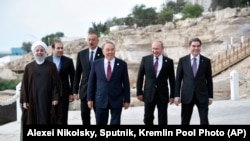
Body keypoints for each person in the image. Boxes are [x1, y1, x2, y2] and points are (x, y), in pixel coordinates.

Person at [87, 41, 130, 125]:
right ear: (103, 51)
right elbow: (91, 82)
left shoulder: (122, 64)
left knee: (115, 123)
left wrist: (127, 100)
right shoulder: (96, 64)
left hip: (117, 99)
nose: (110, 52)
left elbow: (126, 83)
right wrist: (89, 99)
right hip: (100, 99)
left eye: (112, 50)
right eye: (107, 50)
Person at [20, 40, 62, 125]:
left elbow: (56, 83)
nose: (39, 52)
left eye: (42, 50)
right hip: (32, 100)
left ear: (45, 52)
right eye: (37, 50)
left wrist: (55, 97)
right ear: (34, 52)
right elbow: (24, 85)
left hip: (47, 100)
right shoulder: (29, 67)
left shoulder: (51, 66)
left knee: (47, 119)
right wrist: (25, 100)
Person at [174, 37, 213, 125]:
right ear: (189, 47)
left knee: (204, 121)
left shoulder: (206, 61)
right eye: (193, 46)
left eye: (198, 46)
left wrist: (210, 96)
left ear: (200, 47)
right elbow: (178, 80)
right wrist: (176, 95)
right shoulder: (182, 60)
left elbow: (209, 80)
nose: (196, 48)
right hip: (187, 95)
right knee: (185, 121)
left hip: (202, 96)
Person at [136, 40, 175, 125]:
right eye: (153, 48)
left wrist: (172, 95)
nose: (155, 51)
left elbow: (172, 80)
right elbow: (140, 77)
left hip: (163, 94)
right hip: (149, 93)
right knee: (147, 118)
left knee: (163, 119)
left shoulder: (168, 62)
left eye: (157, 49)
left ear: (162, 49)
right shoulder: (145, 59)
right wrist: (139, 92)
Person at [73, 32, 104, 125]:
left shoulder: (103, 53)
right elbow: (77, 73)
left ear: (97, 41)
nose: (91, 42)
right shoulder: (81, 54)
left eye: (93, 40)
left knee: (100, 115)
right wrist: (75, 91)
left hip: (99, 90)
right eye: (89, 40)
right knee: (84, 114)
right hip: (85, 90)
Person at [46, 40, 75, 125]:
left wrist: (72, 93)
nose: (60, 50)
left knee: (62, 118)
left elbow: (73, 78)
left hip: (64, 93)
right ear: (52, 49)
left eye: (62, 48)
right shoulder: (46, 61)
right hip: (49, 94)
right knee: (50, 117)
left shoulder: (68, 61)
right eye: (58, 48)